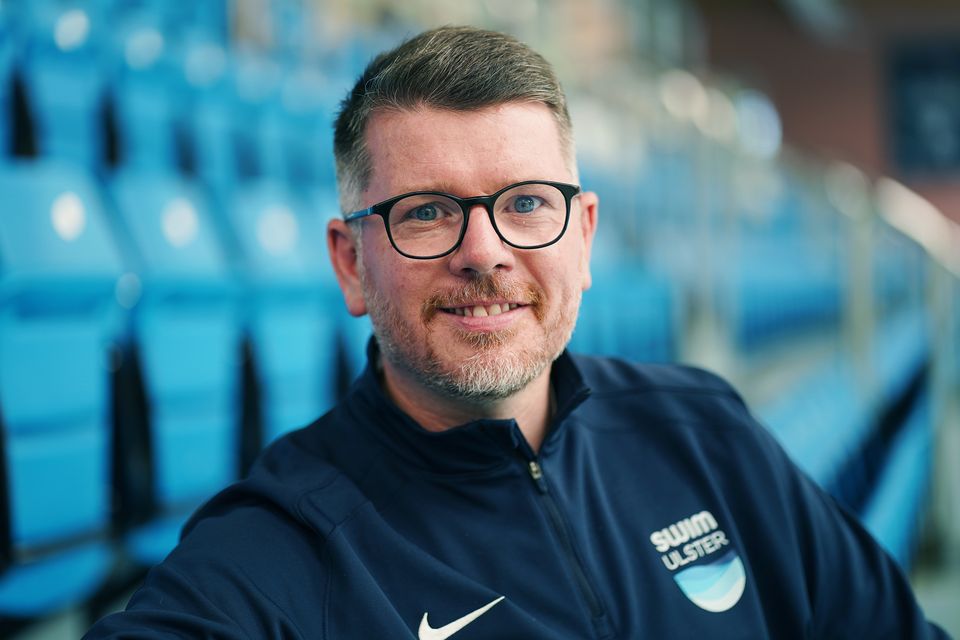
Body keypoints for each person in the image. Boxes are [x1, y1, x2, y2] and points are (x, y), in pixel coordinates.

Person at [87, 26, 949, 639]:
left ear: (585, 234)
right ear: (351, 263)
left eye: (526, 204)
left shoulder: (706, 434)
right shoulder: (281, 554)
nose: (484, 252)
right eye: (425, 212)